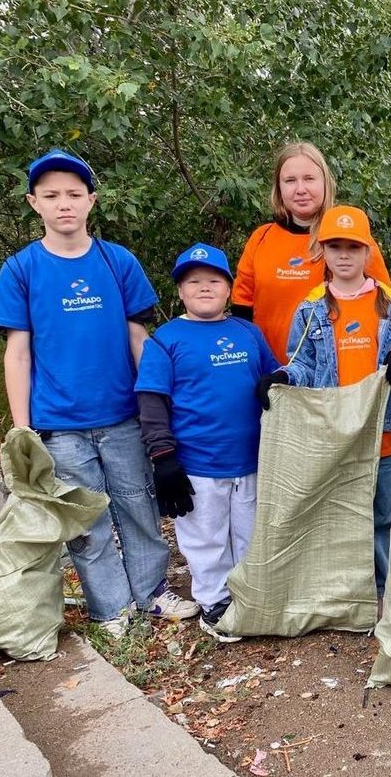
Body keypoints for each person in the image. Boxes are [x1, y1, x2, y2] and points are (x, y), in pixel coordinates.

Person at [0, 148, 198, 638]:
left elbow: (139, 339)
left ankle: (149, 594)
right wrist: (23, 429)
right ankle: (110, 608)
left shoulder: (116, 260)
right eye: (52, 195)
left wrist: (161, 406)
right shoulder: (21, 269)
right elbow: (18, 353)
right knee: (85, 521)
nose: (64, 204)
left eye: (74, 195)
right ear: (33, 203)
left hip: (123, 417)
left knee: (138, 506)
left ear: (91, 201)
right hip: (59, 425)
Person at [258, 206, 391, 614]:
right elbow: (304, 363)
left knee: (381, 514)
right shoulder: (311, 308)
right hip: (333, 433)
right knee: (336, 514)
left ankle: (384, 594)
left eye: (353, 247)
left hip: (383, 428)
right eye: (335, 247)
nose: (344, 255)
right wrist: (284, 378)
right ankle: (342, 593)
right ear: (322, 252)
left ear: (367, 252)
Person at [135, 244, 280, 643]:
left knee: (249, 533)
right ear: (180, 291)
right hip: (197, 463)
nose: (204, 287)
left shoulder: (247, 332)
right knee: (207, 536)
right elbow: (151, 400)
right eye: (193, 281)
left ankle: (247, 594)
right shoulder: (166, 340)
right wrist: (163, 457)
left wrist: (281, 379)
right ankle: (214, 601)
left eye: (213, 280)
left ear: (229, 289)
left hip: (250, 459)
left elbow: (276, 375)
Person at [231, 142, 391, 363]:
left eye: (309, 179)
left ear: (325, 182)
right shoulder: (261, 238)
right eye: (290, 180)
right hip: (273, 375)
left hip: (337, 378)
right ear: (278, 188)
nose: (300, 189)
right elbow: (241, 311)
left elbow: (385, 306)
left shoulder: (352, 238)